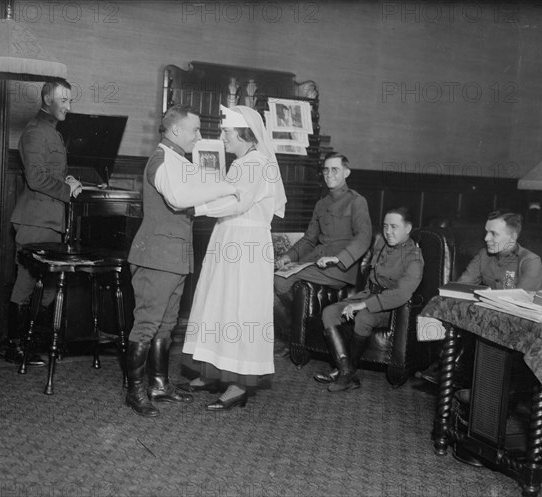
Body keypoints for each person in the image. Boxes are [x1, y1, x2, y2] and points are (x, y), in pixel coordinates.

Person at [125, 105, 237, 418]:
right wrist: (227, 186)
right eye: (195, 130)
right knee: (147, 325)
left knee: (167, 324)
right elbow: (177, 198)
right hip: (157, 256)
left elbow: (194, 199)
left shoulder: (179, 161)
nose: (199, 137)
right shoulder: (161, 161)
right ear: (176, 130)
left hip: (174, 257)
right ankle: (135, 391)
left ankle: (158, 383)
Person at [181, 104, 287, 411]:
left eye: (226, 131)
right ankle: (213, 372)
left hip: (246, 244)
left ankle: (239, 382)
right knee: (218, 304)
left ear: (242, 133)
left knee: (240, 309)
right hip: (228, 238)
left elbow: (236, 202)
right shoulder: (243, 161)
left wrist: (195, 206)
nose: (221, 136)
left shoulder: (256, 162)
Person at [0, 79, 82, 367]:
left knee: (47, 286)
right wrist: (66, 190)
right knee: (27, 282)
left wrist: (67, 180)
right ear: (48, 100)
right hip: (35, 220)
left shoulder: (51, 132)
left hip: (49, 221)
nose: (68, 107)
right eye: (64, 101)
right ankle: (15, 346)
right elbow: (35, 179)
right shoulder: (36, 132)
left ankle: (28, 341)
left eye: (70, 101)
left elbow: (50, 172)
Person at [418, 209, 542, 385]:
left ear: (512, 237)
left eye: (493, 233)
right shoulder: (484, 255)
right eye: (486, 232)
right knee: (446, 307)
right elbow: (462, 284)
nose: (486, 238)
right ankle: (447, 366)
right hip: (489, 321)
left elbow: (520, 301)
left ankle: (455, 369)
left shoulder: (530, 261)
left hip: (520, 326)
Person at [314, 207, 424, 392]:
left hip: (391, 307)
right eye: (385, 226)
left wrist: (363, 304)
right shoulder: (381, 243)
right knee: (329, 312)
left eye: (394, 227)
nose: (388, 232)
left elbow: (401, 294)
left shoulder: (414, 258)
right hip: (368, 294)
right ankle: (346, 371)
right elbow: (356, 251)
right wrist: (335, 259)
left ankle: (343, 373)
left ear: (408, 228)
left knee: (364, 317)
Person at [273, 153, 372, 354]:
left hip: (339, 268)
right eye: (326, 170)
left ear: (346, 172)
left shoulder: (357, 201)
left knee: (279, 281)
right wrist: (288, 257)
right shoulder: (321, 204)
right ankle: (295, 334)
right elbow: (309, 239)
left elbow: (364, 237)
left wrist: (339, 258)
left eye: (334, 169)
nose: (329, 174)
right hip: (316, 262)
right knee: (275, 281)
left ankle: (295, 336)